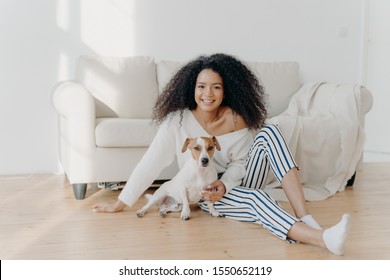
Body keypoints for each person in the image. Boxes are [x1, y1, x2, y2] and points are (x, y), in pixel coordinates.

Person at [93, 53, 351, 255]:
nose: (208, 94)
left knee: (271, 132)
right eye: (201, 86)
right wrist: (121, 202)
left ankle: (304, 216)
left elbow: (241, 162)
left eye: (216, 87)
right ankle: (323, 239)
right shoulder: (178, 121)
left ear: (226, 90)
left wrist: (226, 184)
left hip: (235, 181)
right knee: (255, 200)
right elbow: (151, 162)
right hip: (207, 194)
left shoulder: (237, 118)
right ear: (191, 88)